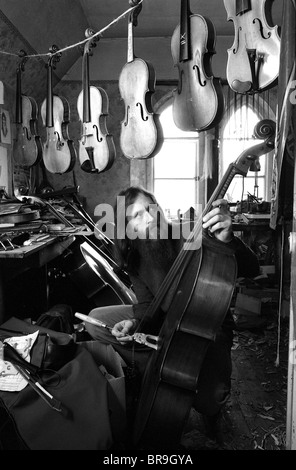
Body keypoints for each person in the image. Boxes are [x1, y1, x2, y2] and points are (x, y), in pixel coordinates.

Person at [85, 185, 260, 444]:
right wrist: (134, 322)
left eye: (149, 207)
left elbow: (252, 268)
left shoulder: (190, 233)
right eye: (136, 216)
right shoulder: (136, 255)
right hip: (167, 324)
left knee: (209, 401)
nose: (149, 217)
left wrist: (227, 240)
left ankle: (173, 370)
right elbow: (146, 305)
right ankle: (157, 368)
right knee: (96, 321)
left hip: (206, 325)